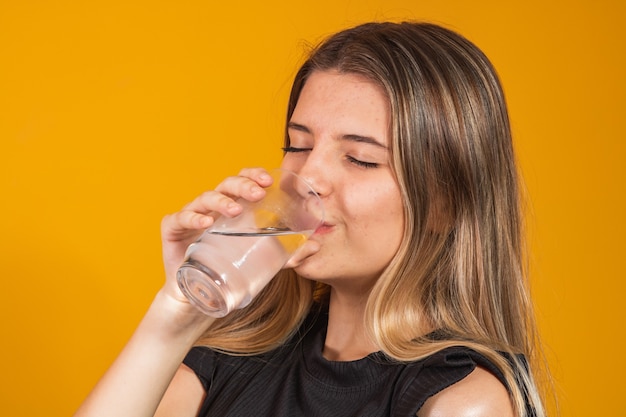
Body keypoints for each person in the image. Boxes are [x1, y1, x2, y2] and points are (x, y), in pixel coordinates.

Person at [74, 21, 548, 417]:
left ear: (445, 202)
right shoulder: (230, 360)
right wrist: (175, 316)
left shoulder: (460, 399)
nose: (308, 174)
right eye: (298, 145)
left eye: (360, 158)